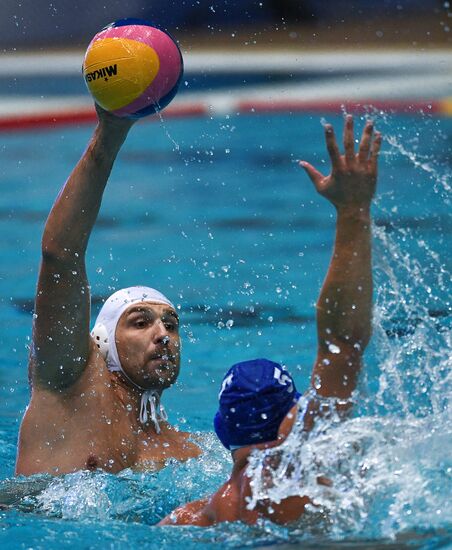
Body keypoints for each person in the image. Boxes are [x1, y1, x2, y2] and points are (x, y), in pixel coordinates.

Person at [159, 115, 382, 526]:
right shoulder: (295, 464)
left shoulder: (197, 516)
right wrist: (353, 210)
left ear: (223, 432)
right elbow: (343, 341)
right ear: (294, 416)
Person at [15, 108, 200, 476]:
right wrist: (111, 132)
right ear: (103, 343)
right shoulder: (70, 382)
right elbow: (60, 253)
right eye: (140, 322)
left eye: (171, 324)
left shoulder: (188, 452)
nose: (163, 335)